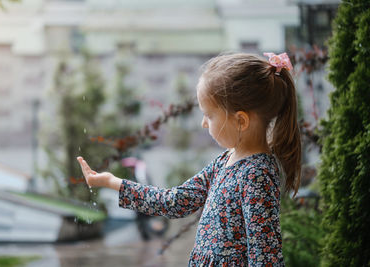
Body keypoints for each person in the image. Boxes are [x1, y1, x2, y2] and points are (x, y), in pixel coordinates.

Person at [77, 52, 301, 266]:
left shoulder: (257, 174)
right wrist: (112, 182)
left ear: (241, 121)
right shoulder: (224, 162)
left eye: (209, 115)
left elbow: (265, 255)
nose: (204, 123)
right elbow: (174, 202)